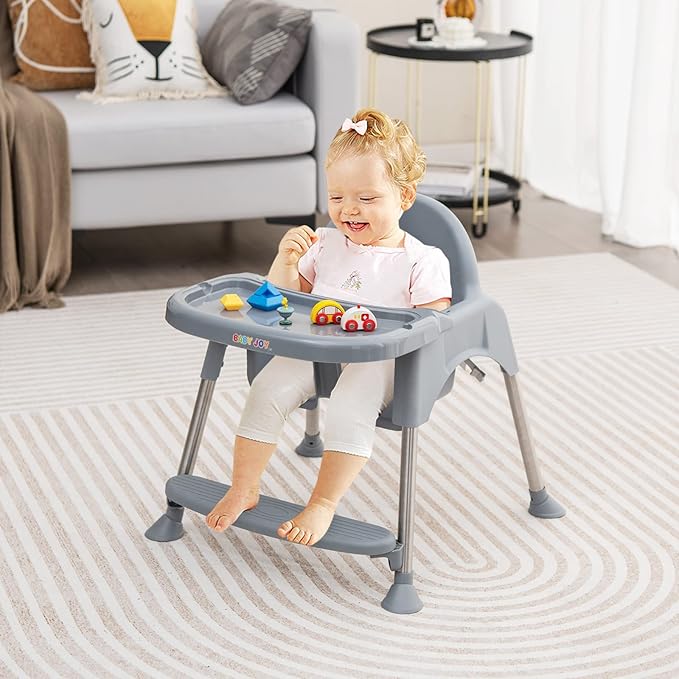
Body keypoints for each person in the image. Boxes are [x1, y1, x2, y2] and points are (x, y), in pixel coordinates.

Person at [206, 108, 452, 546]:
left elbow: (430, 328)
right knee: (267, 389)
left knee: (348, 405)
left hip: (382, 363)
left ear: (405, 196)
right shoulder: (324, 244)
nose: (349, 209)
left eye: (367, 198)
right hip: (318, 348)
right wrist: (285, 261)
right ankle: (244, 486)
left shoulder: (422, 260)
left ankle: (322, 502)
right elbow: (282, 300)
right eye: (336, 197)